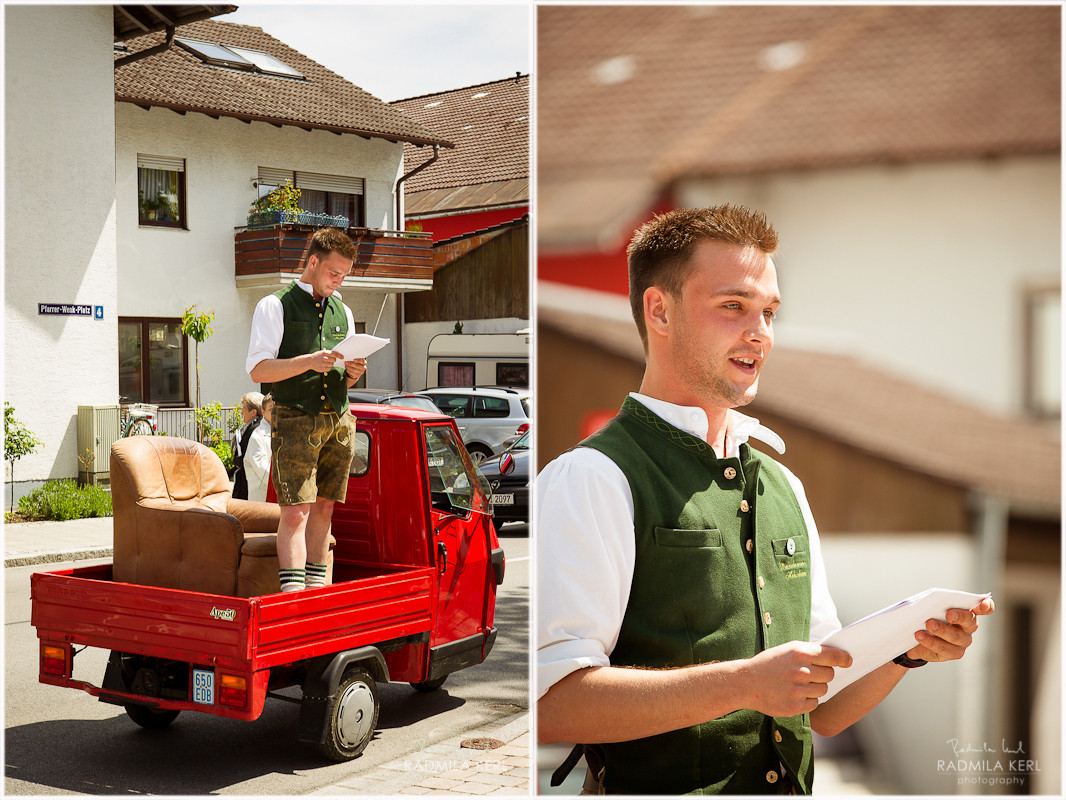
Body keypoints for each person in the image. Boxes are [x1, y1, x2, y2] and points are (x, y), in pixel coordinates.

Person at [535, 205, 995, 795]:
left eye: (769, 313)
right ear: (660, 310)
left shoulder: (785, 486)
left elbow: (821, 708)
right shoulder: (591, 477)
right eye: (734, 306)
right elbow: (551, 703)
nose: (760, 333)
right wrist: (744, 684)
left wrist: (908, 651)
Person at [246, 227, 368, 592]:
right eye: (333, 273)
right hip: (295, 417)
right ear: (313, 262)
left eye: (344, 275)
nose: (338, 281)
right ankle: (292, 597)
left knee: (325, 508)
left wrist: (353, 374)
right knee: (296, 510)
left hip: (339, 419)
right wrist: (308, 361)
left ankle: (316, 593)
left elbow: (340, 380)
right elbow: (258, 370)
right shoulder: (275, 304)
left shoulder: (342, 310)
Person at [231, 391, 264, 500]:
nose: (241, 413)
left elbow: (248, 457)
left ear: (253, 412)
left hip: (249, 485)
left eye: (244, 409)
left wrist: (237, 462)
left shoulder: (255, 430)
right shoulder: (257, 426)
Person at [244, 393, 273, 503]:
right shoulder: (257, 435)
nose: (275, 412)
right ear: (263, 411)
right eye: (271, 409)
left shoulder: (284, 432)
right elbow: (261, 468)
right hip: (263, 497)